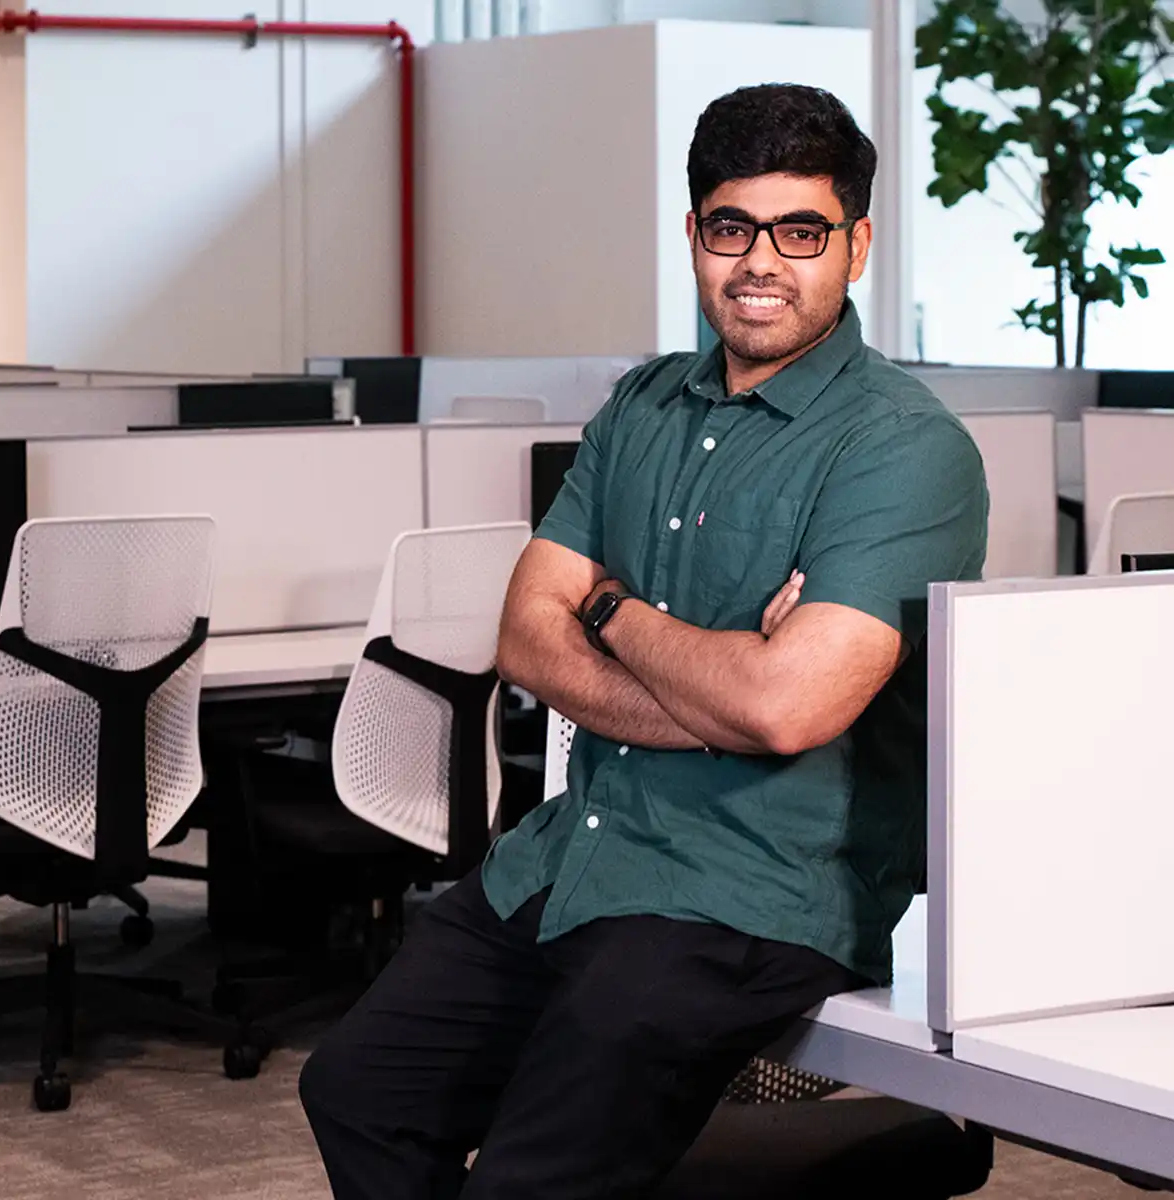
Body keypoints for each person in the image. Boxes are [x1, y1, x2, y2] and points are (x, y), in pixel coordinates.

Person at [297, 83, 989, 1198]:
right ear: (695, 236)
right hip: (576, 858)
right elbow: (524, 639)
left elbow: (786, 711)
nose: (760, 261)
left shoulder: (902, 449)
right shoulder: (642, 406)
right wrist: (717, 689)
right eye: (731, 228)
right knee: (357, 1090)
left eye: (800, 231)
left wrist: (613, 613)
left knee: (532, 1178)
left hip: (754, 890)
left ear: (855, 246)